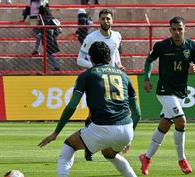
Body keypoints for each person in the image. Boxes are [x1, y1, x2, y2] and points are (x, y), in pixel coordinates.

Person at [39, 41, 140, 177]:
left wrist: (56, 132)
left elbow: (72, 106)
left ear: (91, 59)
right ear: (109, 58)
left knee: (69, 145)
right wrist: (129, 137)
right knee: (109, 154)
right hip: (127, 128)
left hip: (103, 128)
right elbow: (137, 113)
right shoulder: (124, 76)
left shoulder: (87, 75)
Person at [139, 16, 194, 176]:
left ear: (185, 29)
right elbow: (149, 60)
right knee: (181, 121)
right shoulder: (162, 46)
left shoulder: (192, 46)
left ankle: (146, 157)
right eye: (174, 29)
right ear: (170, 30)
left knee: (164, 124)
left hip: (180, 92)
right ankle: (182, 159)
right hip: (164, 90)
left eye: (180, 29)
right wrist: (147, 78)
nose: (177, 32)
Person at [77, 8, 125, 161]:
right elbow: (79, 60)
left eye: (108, 19)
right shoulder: (91, 37)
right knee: (94, 113)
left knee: (112, 111)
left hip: (112, 80)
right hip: (97, 80)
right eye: (103, 18)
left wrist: (118, 64)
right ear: (99, 20)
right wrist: (97, 68)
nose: (106, 21)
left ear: (113, 21)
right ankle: (88, 147)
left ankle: (112, 143)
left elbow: (115, 52)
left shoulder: (117, 36)